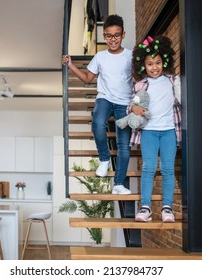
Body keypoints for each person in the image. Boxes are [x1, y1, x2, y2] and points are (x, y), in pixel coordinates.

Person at [62, 14, 133, 195]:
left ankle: (118, 184)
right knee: (97, 123)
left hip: (125, 102)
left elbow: (139, 79)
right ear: (104, 37)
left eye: (117, 35)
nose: (113, 39)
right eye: (109, 36)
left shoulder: (130, 56)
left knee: (124, 144)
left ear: (123, 34)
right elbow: (87, 79)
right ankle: (104, 158)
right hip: (105, 98)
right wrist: (71, 65)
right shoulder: (100, 57)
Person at [129, 35, 181, 222]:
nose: (154, 67)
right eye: (150, 64)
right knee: (149, 168)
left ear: (164, 61)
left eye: (158, 62)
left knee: (168, 169)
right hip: (149, 132)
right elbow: (132, 106)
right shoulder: (141, 84)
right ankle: (146, 208)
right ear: (143, 65)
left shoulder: (172, 81)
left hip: (169, 131)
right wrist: (134, 108)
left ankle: (167, 208)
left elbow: (182, 100)